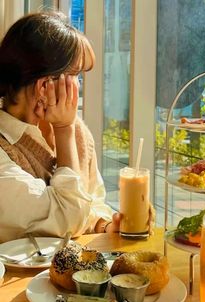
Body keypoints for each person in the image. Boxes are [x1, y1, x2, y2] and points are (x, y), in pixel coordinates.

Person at [0, 11, 121, 243]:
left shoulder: (78, 134)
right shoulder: (5, 151)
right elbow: (70, 217)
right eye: (75, 75)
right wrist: (63, 129)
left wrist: (107, 225)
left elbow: (93, 204)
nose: (79, 86)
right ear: (44, 86)